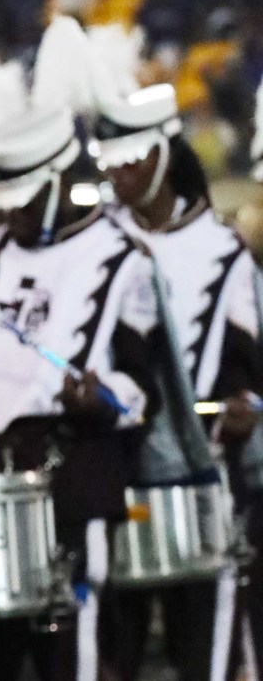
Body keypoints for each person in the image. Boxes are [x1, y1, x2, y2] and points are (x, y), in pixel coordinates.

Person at [0, 48, 160, 681]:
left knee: (75, 651)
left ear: (54, 181)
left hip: (77, 470)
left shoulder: (124, 258)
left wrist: (99, 396)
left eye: (21, 196)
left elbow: (143, 387)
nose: (8, 212)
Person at [87, 80, 256, 681]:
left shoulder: (225, 254)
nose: (119, 173)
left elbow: (251, 369)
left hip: (204, 476)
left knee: (205, 654)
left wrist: (248, 406)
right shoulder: (97, 245)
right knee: (110, 658)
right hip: (113, 473)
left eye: (131, 158)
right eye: (110, 162)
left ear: (163, 153)